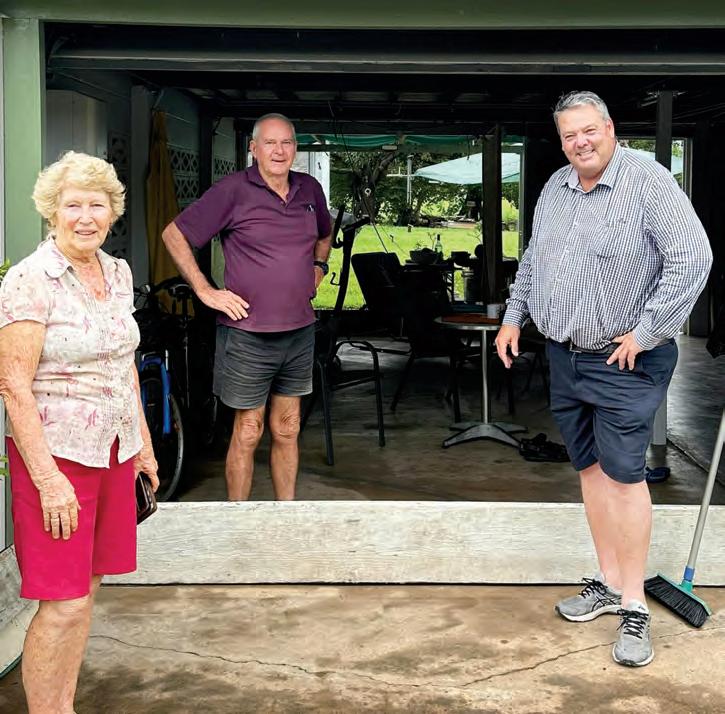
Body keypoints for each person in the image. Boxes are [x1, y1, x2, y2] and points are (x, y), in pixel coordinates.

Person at [495, 91, 712, 667]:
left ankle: (635, 604)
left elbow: (693, 258)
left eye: (589, 130)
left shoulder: (648, 182)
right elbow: (534, 258)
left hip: (625, 359)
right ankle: (609, 580)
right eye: (569, 135)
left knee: (623, 476)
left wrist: (647, 331)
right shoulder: (556, 187)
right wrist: (514, 317)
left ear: (610, 128)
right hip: (565, 356)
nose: (580, 143)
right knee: (589, 468)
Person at [0, 151, 159, 712]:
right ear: (52, 211)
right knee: (63, 601)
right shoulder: (29, 280)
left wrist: (143, 447)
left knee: (87, 590)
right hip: (57, 458)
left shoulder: (117, 273)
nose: (86, 217)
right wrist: (49, 481)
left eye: (97, 205)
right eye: (73, 206)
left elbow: (123, 365)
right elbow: (13, 385)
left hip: (114, 449)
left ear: (112, 213)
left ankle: (62, 705)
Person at [162, 113, 332, 501]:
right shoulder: (233, 190)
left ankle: (285, 515)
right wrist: (205, 290)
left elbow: (325, 233)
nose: (279, 151)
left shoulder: (309, 189)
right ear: (253, 148)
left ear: (295, 148)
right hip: (247, 334)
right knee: (249, 429)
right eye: (269, 143)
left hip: (299, 331)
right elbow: (174, 234)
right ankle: (238, 520)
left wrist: (318, 268)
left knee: (287, 427)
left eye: (286, 142)